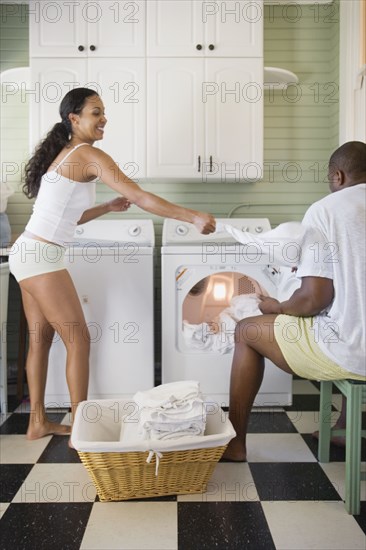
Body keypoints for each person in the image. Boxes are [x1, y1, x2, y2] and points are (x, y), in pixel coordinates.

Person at [9, 87, 216, 443]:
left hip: (27, 252)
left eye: (103, 111)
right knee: (79, 341)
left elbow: (65, 217)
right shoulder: (88, 154)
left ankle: (38, 422)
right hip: (42, 257)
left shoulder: (64, 153)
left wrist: (106, 208)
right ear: (74, 119)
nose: (103, 118)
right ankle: (81, 429)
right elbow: (140, 195)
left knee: (40, 340)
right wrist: (192, 215)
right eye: (95, 112)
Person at [223, 141, 366, 461]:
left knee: (246, 330)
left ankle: (235, 443)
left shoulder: (327, 209)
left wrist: (275, 305)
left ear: (338, 176)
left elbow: (313, 299)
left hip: (352, 354)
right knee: (351, 315)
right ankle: (344, 427)